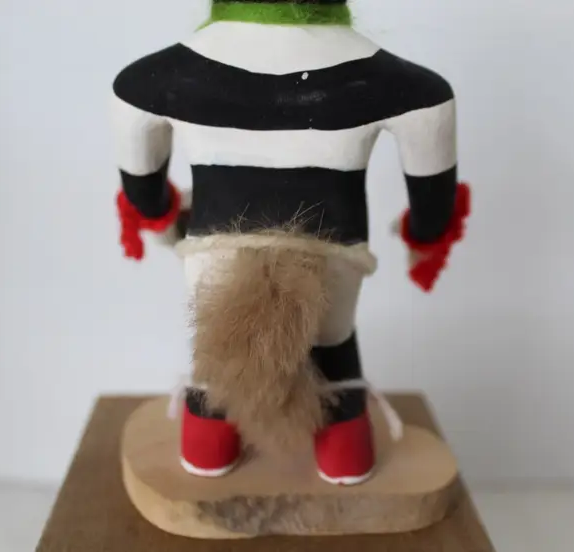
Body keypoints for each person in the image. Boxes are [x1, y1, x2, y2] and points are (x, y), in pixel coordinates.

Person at [110, 0, 470, 485]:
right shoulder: (395, 81)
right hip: (335, 257)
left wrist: (159, 214)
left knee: (216, 357)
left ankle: (208, 445)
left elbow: (139, 168)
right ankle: (345, 453)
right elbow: (432, 130)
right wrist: (425, 236)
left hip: (213, 255)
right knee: (334, 346)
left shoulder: (162, 75)